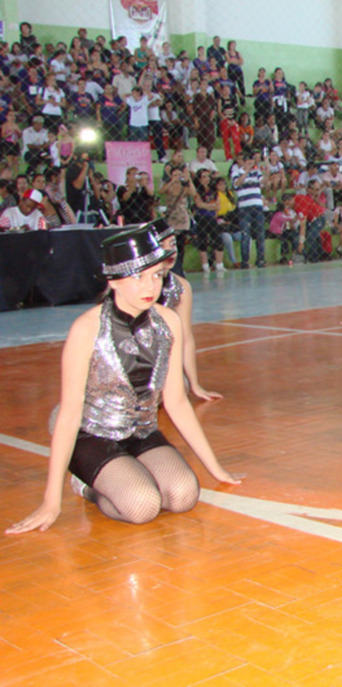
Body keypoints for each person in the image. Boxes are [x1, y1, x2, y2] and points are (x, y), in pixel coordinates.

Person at [6, 229, 242, 534]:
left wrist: (215, 467)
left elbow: (176, 402)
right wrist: (51, 501)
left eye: (156, 275)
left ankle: (124, 472)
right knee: (143, 505)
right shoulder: (87, 329)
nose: (150, 286)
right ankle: (87, 486)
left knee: (183, 496)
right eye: (138, 277)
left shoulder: (168, 322)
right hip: (91, 434)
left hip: (141, 431)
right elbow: (69, 414)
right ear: (114, 280)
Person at [150, 219, 223, 401]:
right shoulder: (134, 285)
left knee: (179, 386)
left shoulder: (180, 286)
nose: (170, 251)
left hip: (157, 358)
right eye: (161, 245)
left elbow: (186, 338)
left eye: (172, 244)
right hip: (128, 356)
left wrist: (195, 384)